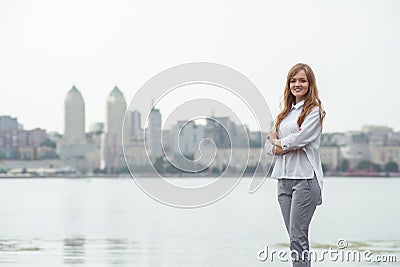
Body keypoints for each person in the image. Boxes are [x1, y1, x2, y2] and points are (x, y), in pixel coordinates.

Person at [265, 63, 326, 267]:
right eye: (293, 80)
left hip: (305, 181)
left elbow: (298, 140)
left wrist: (279, 141)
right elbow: (268, 146)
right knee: (294, 238)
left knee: (297, 239)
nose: (297, 84)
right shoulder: (283, 114)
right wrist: (280, 144)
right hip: (283, 180)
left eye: (302, 80)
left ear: (310, 84)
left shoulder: (314, 111)